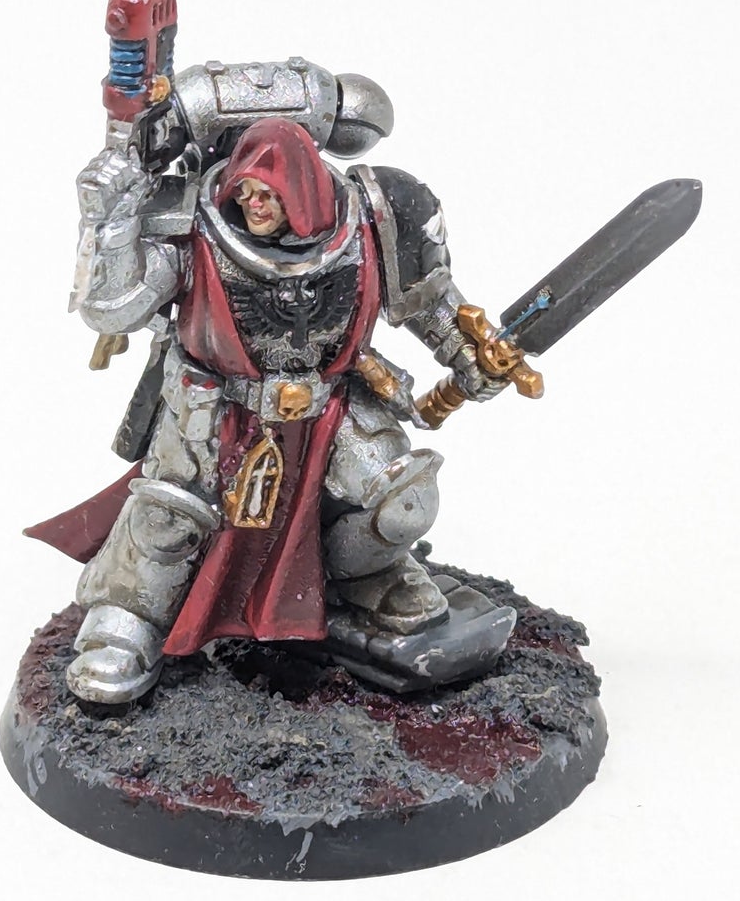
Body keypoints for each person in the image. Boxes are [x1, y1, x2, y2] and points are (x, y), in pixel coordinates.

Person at [28, 101, 508, 704]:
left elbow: (429, 301)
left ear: (304, 192)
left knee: (405, 500)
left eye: (268, 194)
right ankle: (123, 622)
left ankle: (365, 574)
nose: (252, 205)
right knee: (167, 518)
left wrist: (468, 356)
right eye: (245, 192)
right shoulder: (196, 226)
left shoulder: (371, 220)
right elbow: (113, 309)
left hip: (333, 404)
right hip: (215, 408)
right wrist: (113, 219)